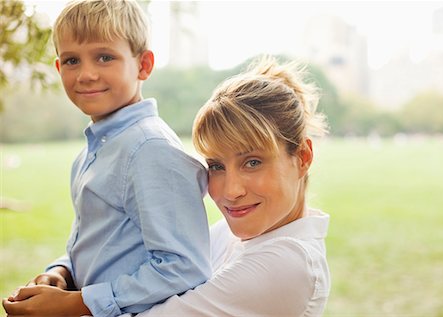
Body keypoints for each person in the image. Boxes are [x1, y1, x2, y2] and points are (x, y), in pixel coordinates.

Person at [2, 1, 211, 316]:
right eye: (72, 60)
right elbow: (93, 244)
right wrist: (61, 274)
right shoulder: (92, 149)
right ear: (59, 68)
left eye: (104, 57)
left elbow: (185, 267)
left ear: (143, 65)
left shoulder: (150, 149)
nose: (86, 74)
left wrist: (78, 303)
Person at [137, 55, 332, 316]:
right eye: (216, 166)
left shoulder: (288, 264)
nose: (230, 191)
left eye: (252, 163)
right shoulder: (237, 234)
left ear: (303, 157)